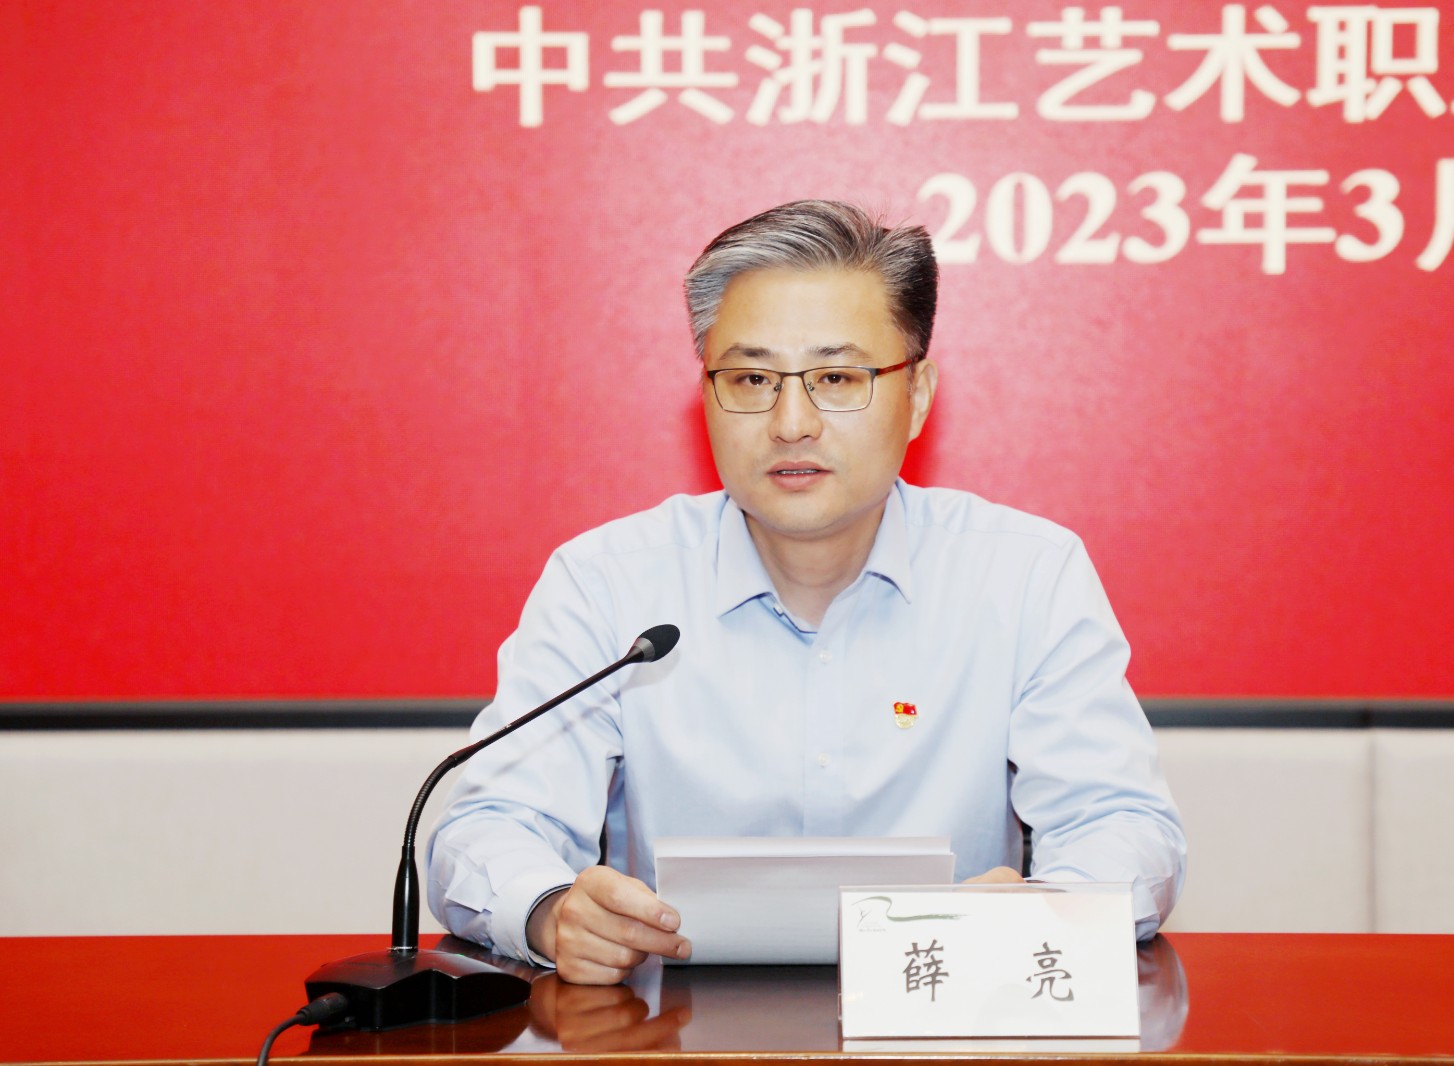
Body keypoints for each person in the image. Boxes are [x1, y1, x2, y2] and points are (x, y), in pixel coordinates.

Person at [427, 200, 1185, 985]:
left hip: (948, 1013)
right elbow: (490, 825)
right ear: (707, 395)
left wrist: (1049, 909)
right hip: (667, 1028)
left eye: (837, 378)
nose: (792, 422)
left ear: (918, 396)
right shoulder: (608, 583)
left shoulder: (1025, 575)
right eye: (752, 378)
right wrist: (551, 911)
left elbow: (1121, 823)